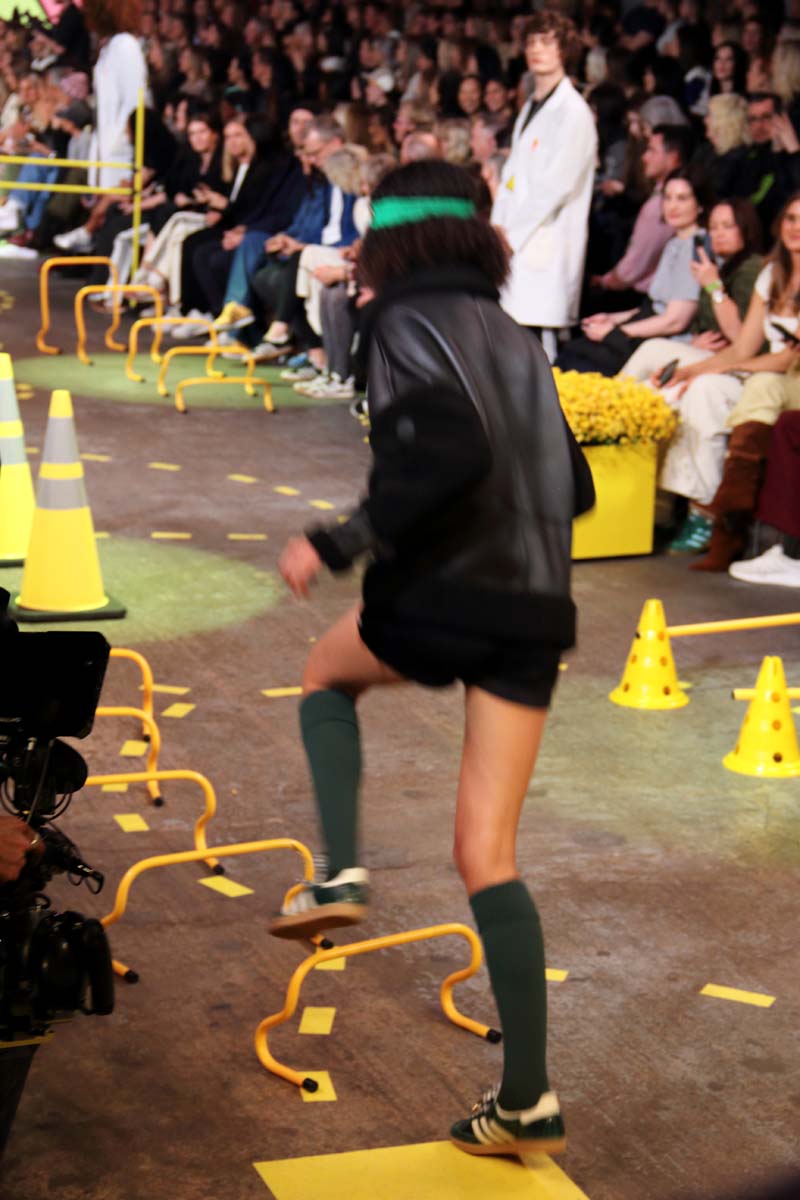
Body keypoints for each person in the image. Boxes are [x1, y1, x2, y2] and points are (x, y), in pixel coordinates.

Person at [270, 159, 595, 1158]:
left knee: (324, 675)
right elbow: (577, 484)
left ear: (396, 239)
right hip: (534, 611)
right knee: (486, 855)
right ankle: (526, 1100)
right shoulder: (513, 335)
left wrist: (335, 542)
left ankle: (339, 875)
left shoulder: (401, 323)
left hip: (443, 597)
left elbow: (439, 455)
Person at [655, 192, 800, 568]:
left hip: (790, 378)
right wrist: (691, 371)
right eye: (790, 218)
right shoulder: (771, 274)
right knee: (694, 386)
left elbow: (789, 357)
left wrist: (726, 369)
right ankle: (700, 511)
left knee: (744, 387)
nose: (795, 227)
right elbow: (743, 347)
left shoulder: (751, 269)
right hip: (765, 373)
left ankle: (722, 525)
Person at [491, 11, 597, 361]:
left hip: (544, 238)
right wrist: (498, 227)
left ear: (564, 50)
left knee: (538, 345)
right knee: (511, 335)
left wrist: (510, 235)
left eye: (547, 42)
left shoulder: (573, 112)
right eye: (532, 42)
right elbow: (512, 177)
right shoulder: (531, 106)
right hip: (515, 236)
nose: (537, 50)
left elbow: (557, 186)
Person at [557, 165, 709, 376]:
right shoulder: (676, 242)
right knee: (574, 350)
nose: (672, 206)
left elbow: (675, 321)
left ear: (699, 205)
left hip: (664, 337)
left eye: (682, 199)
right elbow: (655, 305)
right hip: (647, 323)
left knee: (578, 359)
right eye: (668, 198)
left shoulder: (696, 247)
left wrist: (615, 332)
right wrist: (613, 319)